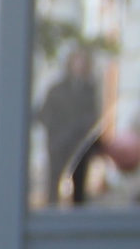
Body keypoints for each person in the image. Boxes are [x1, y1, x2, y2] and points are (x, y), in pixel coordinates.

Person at [39, 50, 99, 205]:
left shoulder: (89, 90)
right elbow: (45, 114)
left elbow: (92, 116)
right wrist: (56, 136)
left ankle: (78, 219)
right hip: (58, 144)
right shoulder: (56, 90)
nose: (79, 67)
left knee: (79, 182)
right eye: (76, 62)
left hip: (79, 144)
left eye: (82, 63)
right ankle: (52, 212)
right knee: (54, 180)